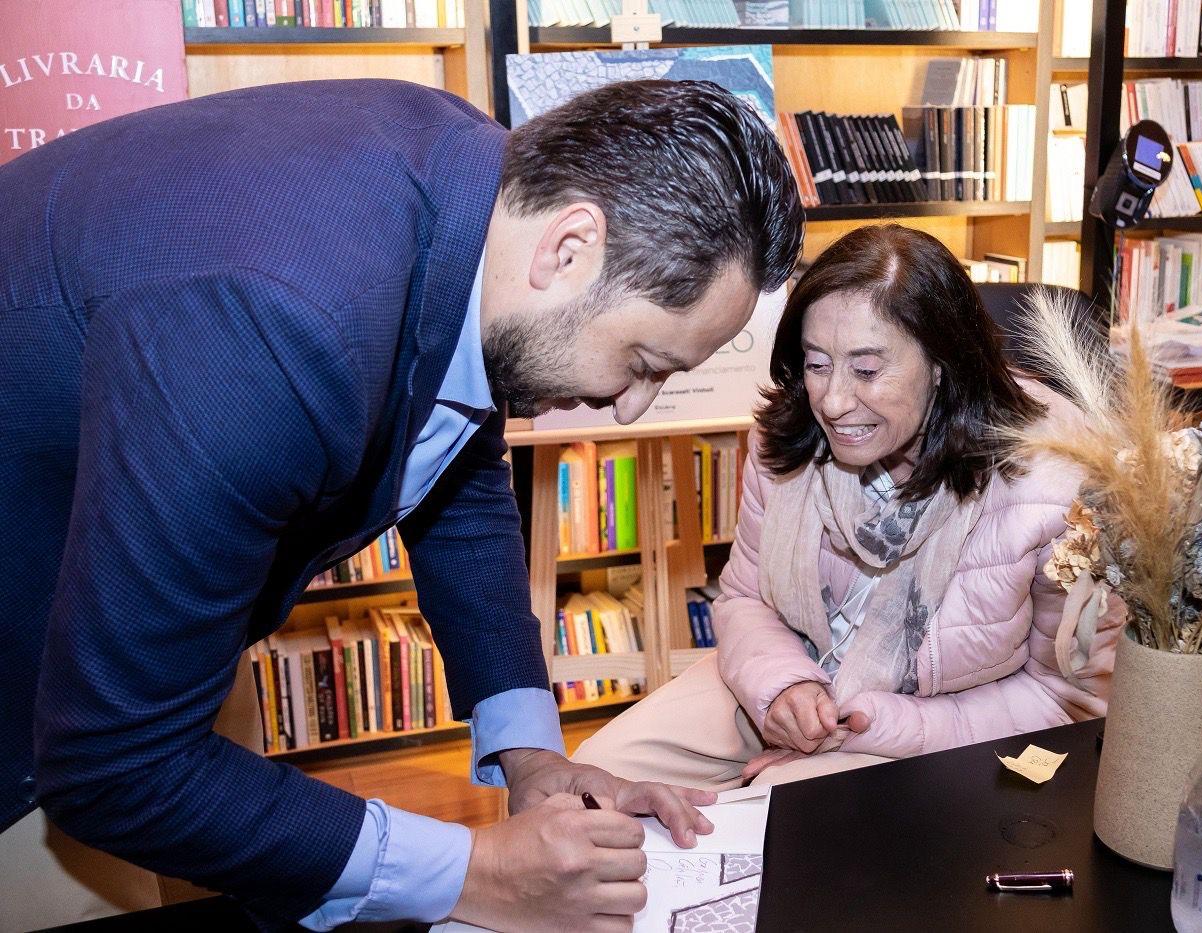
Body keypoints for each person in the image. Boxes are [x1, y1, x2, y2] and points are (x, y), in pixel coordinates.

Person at [0, 77, 803, 931]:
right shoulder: (275, 324)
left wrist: (529, 754)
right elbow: (113, 760)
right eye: (644, 360)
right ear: (571, 247)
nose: (632, 405)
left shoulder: (478, 194)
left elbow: (455, 458)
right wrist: (474, 871)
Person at [574, 225, 1124, 789]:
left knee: (781, 810)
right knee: (593, 780)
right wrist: (784, 687)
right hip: (786, 681)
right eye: (816, 364)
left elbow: (1065, 698)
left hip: (943, 725)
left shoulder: (1053, 481)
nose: (833, 402)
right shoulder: (787, 437)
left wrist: (872, 727)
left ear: (943, 365)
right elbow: (744, 598)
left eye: (866, 370)